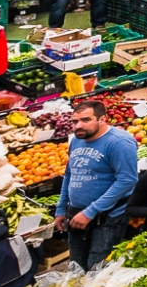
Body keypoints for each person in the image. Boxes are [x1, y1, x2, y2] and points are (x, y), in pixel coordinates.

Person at [56, 97, 141, 270]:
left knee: (98, 266)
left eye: (85, 120)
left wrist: (91, 211)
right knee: (76, 265)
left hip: (107, 217)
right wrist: (61, 208)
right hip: (76, 213)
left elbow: (127, 180)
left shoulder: (119, 142)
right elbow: (69, 174)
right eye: (75, 121)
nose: (78, 126)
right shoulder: (77, 140)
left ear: (102, 119)